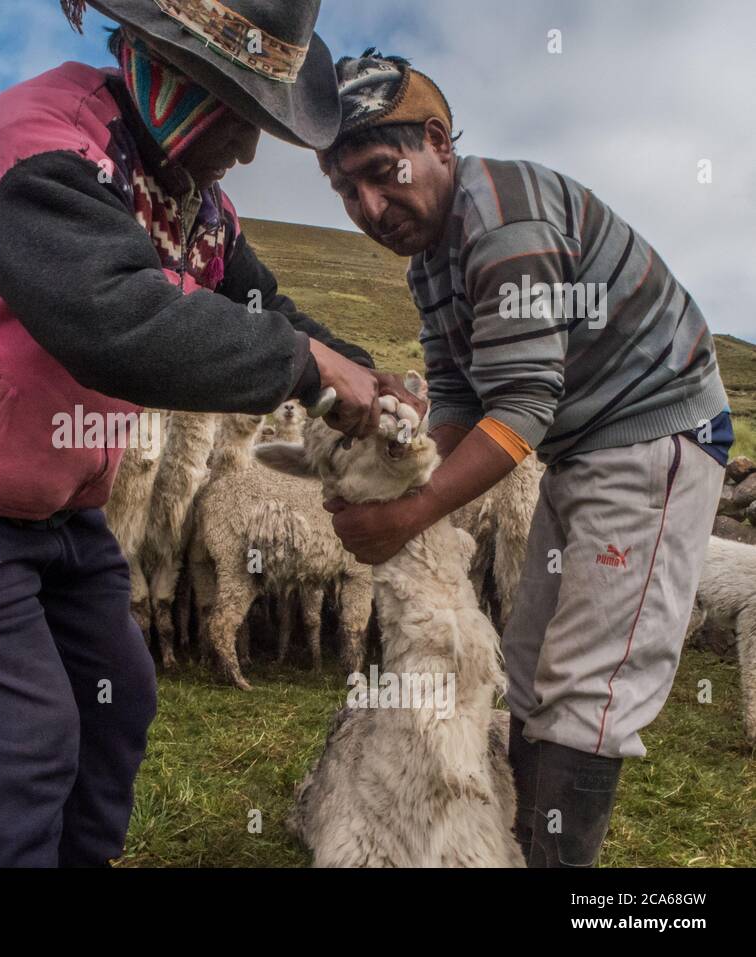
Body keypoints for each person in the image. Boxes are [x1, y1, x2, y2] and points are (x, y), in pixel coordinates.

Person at [0, 2, 418, 867]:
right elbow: (115, 321)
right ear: (168, 74)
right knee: (18, 747)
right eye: (237, 115)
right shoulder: (38, 146)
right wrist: (307, 368)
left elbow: (260, 308)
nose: (250, 149)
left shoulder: (193, 204)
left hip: (62, 502)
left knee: (115, 704)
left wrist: (362, 372)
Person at [316, 50, 729, 866]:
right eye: (344, 190)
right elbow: (466, 402)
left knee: (588, 686)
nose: (369, 205)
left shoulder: (503, 222)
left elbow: (523, 407)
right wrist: (394, 472)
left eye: (379, 171)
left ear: (437, 141)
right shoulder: (433, 259)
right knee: (531, 663)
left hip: (651, 439)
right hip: (583, 452)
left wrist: (405, 515)